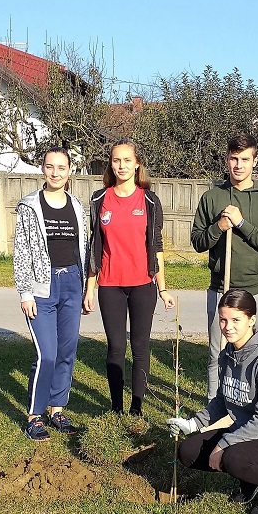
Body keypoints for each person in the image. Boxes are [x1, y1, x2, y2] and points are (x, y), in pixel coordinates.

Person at [166, 288, 258, 514]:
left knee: (232, 457)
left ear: (252, 320)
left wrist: (224, 443)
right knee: (188, 452)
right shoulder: (227, 353)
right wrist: (193, 424)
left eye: (236, 320)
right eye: (223, 320)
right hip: (246, 434)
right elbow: (222, 400)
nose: (228, 327)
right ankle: (249, 482)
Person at [84, 139, 175, 415]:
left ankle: (136, 407)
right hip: (109, 285)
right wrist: (90, 289)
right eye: (116, 160)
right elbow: (94, 247)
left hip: (142, 286)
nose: (121, 166)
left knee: (139, 346)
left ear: (137, 164)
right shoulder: (100, 199)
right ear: (110, 164)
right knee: (115, 347)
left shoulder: (149, 200)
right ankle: (116, 407)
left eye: (127, 160)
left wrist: (163, 288)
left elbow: (156, 246)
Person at [191, 131, 258, 399]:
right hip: (223, 289)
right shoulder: (213, 197)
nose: (239, 165)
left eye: (245, 159)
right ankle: (214, 415)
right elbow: (197, 241)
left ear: (255, 161)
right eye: (234, 158)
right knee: (218, 354)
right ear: (227, 160)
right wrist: (219, 226)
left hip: (257, 289)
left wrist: (242, 224)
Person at [13, 147, 88, 441]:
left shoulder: (77, 206)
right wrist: (25, 292)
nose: (55, 172)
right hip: (41, 288)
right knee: (47, 353)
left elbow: (83, 247)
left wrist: (85, 286)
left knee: (67, 351)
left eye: (61, 167)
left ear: (70, 171)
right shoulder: (30, 206)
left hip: (72, 282)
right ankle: (34, 414)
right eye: (50, 167)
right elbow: (21, 252)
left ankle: (57, 409)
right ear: (42, 169)